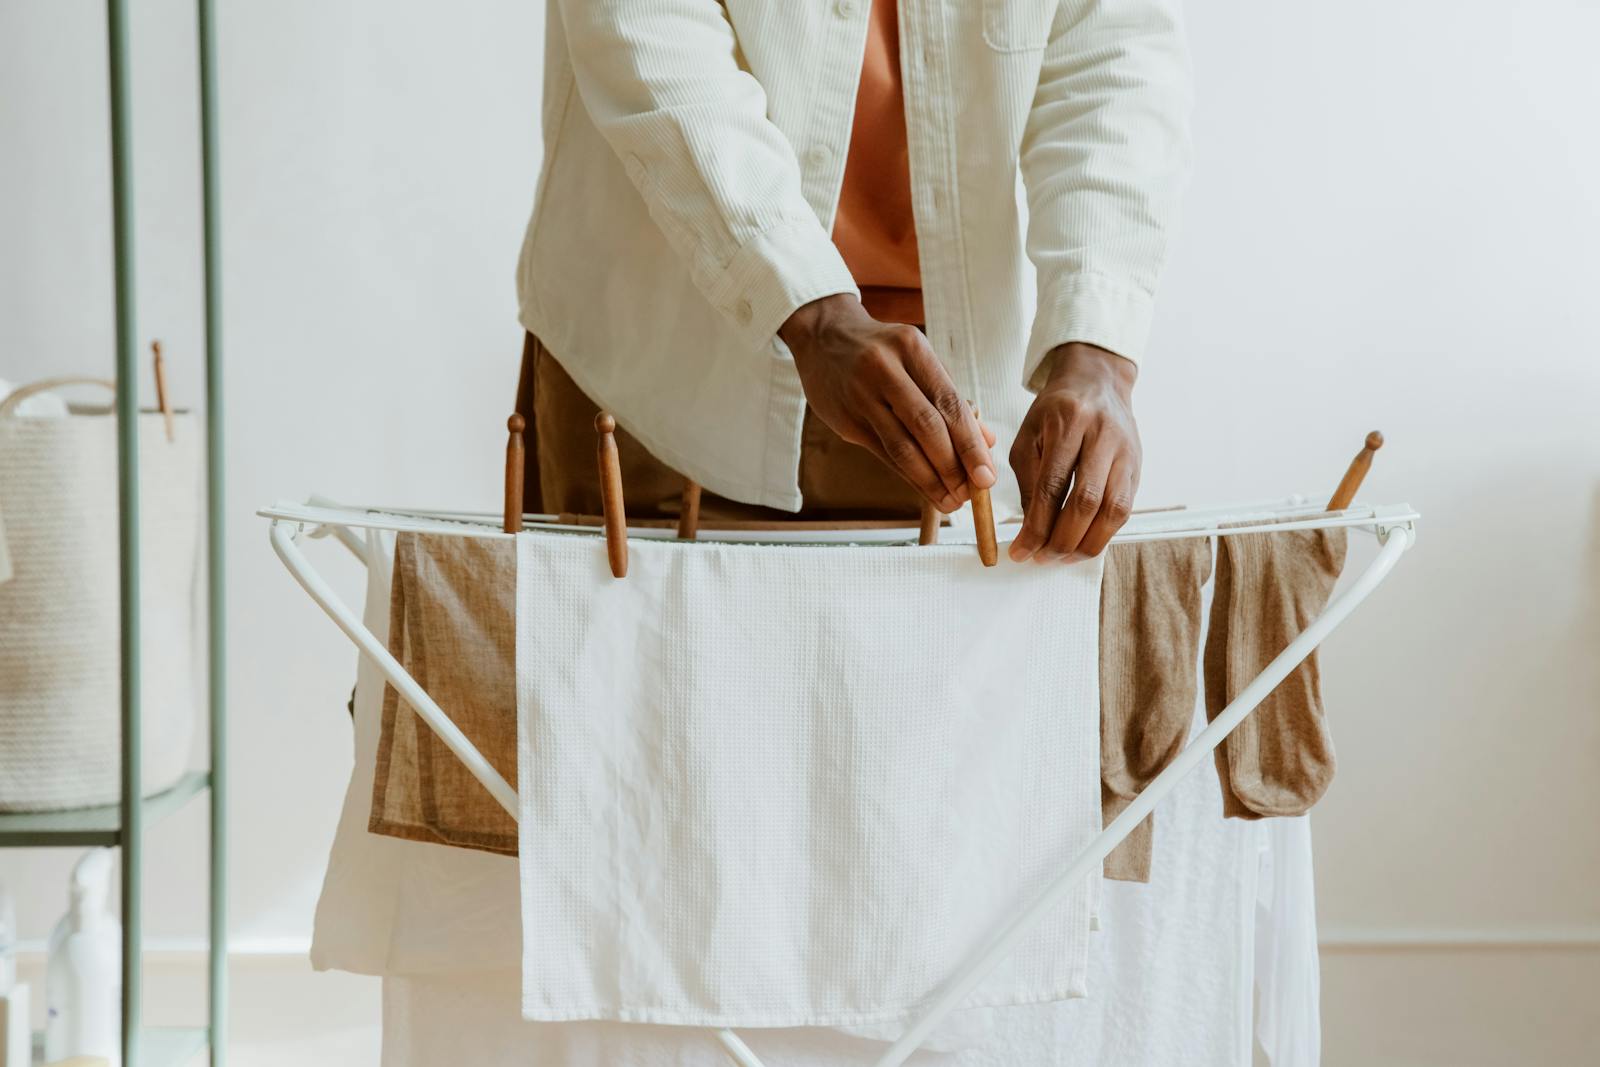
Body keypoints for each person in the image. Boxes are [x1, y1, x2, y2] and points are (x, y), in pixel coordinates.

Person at [514, 0, 1190, 562]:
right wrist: (807, 307)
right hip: (665, 385)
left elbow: (1112, 48)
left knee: (938, 719)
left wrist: (1096, 344)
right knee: (633, 714)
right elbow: (643, 28)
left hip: (947, 402)